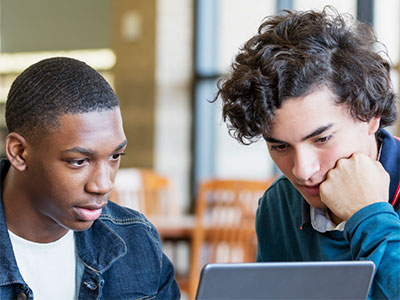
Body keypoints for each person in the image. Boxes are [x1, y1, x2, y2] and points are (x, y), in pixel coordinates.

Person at [215, 7, 400, 300]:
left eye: (323, 138)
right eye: (279, 146)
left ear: (371, 116)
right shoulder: (278, 204)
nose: (301, 170)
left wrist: (369, 216)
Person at [0, 57, 180, 299]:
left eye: (115, 156)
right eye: (78, 161)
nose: (104, 185)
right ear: (19, 153)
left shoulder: (138, 241)